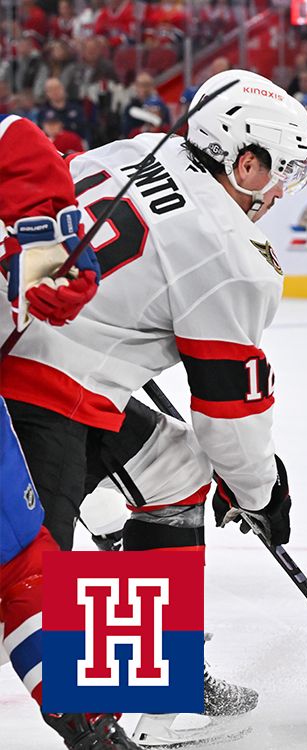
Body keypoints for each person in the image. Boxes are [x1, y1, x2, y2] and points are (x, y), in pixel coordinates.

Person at [0, 70, 307, 740]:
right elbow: (228, 411)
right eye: (278, 169)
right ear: (245, 160)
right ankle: (136, 703)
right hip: (47, 400)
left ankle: (159, 683)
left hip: (20, 344)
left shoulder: (135, 149)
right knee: (21, 589)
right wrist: (259, 491)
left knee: (174, 466)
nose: (282, 188)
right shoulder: (233, 254)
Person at [0, 114, 138, 749]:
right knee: (27, 569)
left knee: (28, 568)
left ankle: (141, 692)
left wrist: (53, 260)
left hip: (48, 384)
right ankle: (142, 696)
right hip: (63, 392)